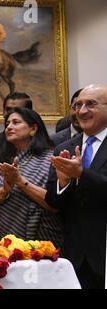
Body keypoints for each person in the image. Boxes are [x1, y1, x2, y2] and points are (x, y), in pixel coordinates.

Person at [46, 84, 107, 289]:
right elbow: (53, 203)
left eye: (91, 104)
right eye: (78, 105)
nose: (82, 111)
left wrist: (81, 174)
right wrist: (63, 183)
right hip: (74, 254)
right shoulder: (65, 148)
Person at [0, 107, 62, 246]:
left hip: (43, 243)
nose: (9, 127)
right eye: (7, 124)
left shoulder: (51, 160)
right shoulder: (0, 162)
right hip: (3, 243)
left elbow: (55, 205)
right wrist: (3, 191)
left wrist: (19, 181)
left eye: (16, 122)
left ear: (33, 129)